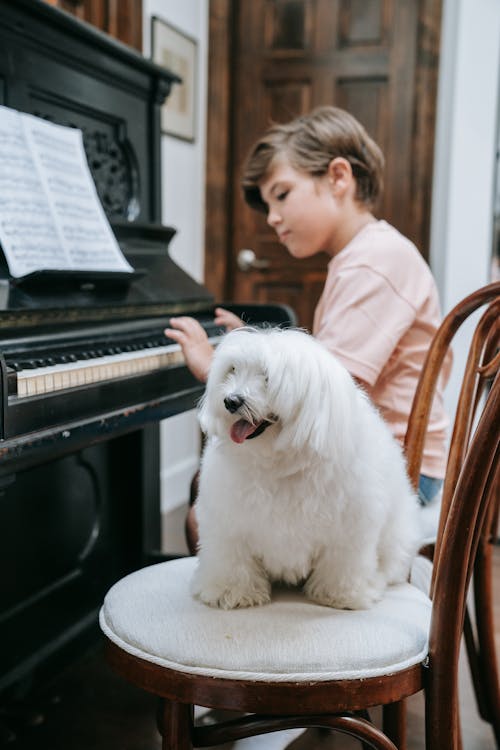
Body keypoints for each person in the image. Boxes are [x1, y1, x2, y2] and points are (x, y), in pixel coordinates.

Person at [165, 106, 451, 506]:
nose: (273, 218)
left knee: (213, 496)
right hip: (378, 453)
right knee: (213, 483)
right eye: (268, 206)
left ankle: (235, 569)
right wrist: (250, 349)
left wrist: (213, 367)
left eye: (281, 195)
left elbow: (331, 392)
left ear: (338, 177)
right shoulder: (363, 257)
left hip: (398, 468)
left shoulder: (374, 262)